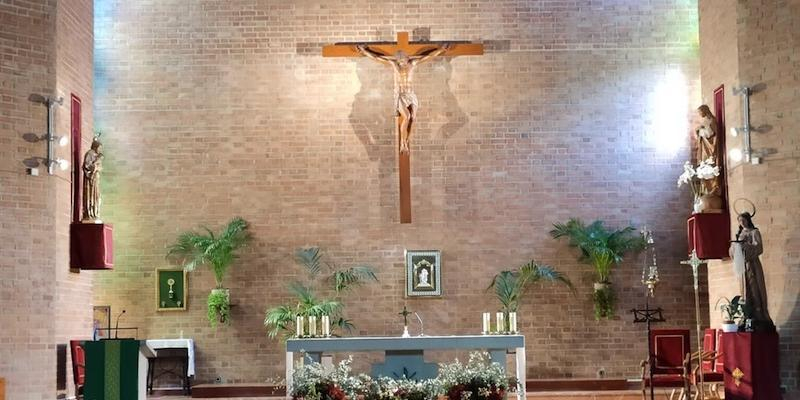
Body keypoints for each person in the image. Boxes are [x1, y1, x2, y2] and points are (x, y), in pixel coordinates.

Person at [356, 43, 451, 153]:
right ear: (398, 60)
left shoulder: (413, 64)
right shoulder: (394, 65)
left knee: (412, 118)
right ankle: (402, 142)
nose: (402, 62)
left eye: (404, 60)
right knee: (407, 117)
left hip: (411, 94)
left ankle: (406, 141)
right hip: (400, 95)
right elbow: (377, 58)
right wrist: (364, 51)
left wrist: (441, 50)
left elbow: (428, 57)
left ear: (407, 58)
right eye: (400, 61)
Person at [735, 212, 774, 330]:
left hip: (753, 264)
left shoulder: (754, 232)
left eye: (744, 220)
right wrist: (734, 247)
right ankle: (747, 313)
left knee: (755, 287)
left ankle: (759, 314)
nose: (742, 223)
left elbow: (759, 248)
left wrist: (746, 246)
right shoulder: (740, 234)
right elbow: (734, 250)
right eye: (740, 221)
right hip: (743, 266)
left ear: (748, 220)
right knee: (744, 289)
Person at [82, 136, 104, 222]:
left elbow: (100, 167)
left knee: (97, 196)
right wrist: (95, 165)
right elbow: (87, 165)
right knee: (91, 195)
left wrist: (98, 166)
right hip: (90, 179)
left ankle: (95, 212)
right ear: (95, 146)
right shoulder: (90, 154)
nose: (100, 150)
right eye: (99, 148)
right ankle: (89, 212)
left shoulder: (97, 155)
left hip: (96, 178)